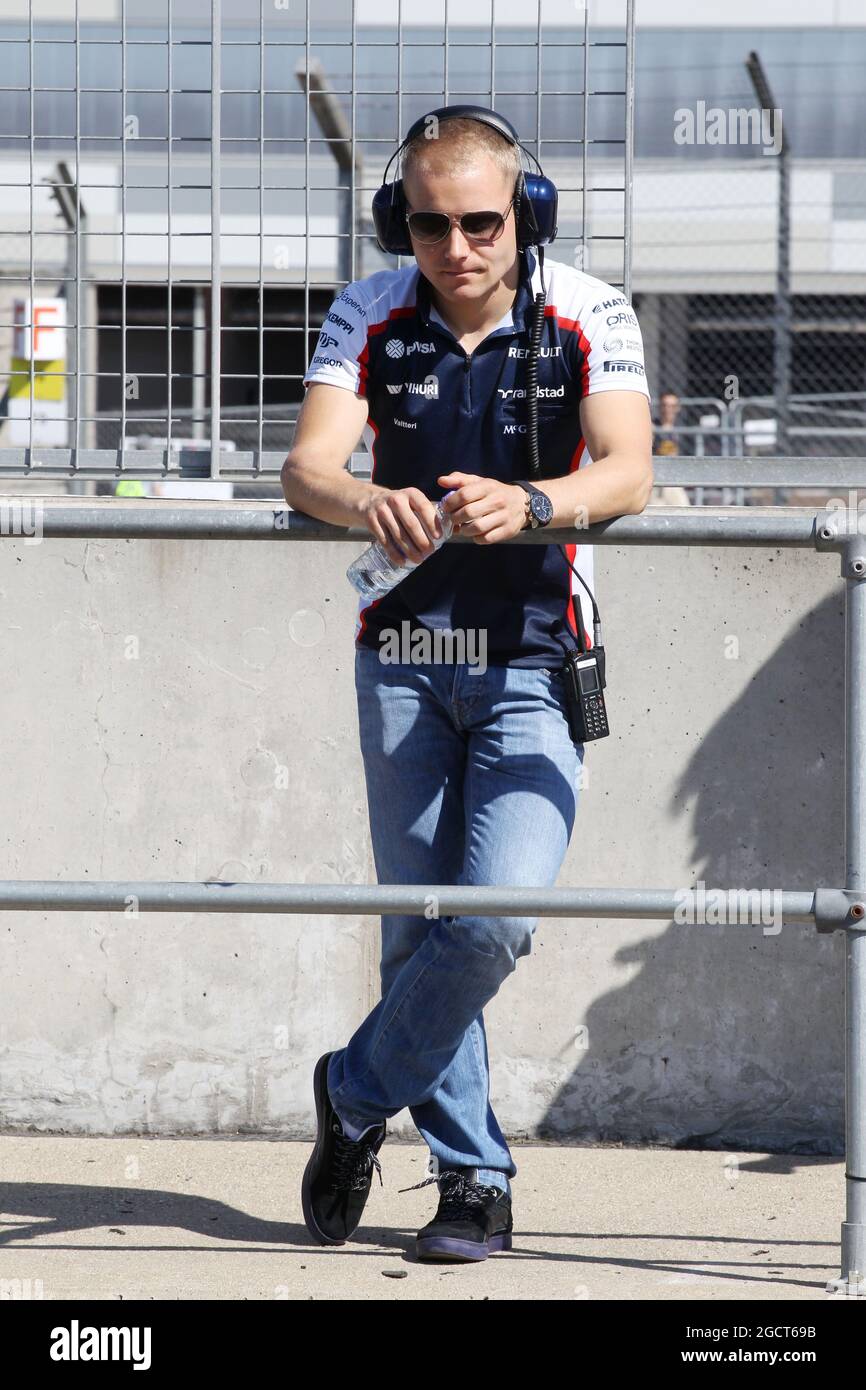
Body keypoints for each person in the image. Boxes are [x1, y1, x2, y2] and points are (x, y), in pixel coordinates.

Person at [282, 106, 653, 1263]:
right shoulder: (368, 307)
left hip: (538, 659)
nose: (456, 246)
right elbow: (307, 467)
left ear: (522, 214)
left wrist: (537, 504)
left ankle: (350, 1091)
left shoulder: (587, 308)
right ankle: (472, 1181)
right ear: (402, 219)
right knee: (417, 934)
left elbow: (630, 469)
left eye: (481, 221)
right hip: (399, 661)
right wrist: (365, 503)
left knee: (490, 918)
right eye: (430, 223)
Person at [650, 389, 691, 505]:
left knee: (683, 506)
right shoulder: (653, 426)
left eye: (672, 406)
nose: (668, 409)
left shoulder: (681, 429)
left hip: (673, 478)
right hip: (656, 477)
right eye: (665, 405)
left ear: (677, 408)